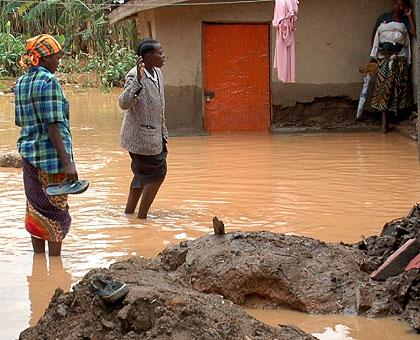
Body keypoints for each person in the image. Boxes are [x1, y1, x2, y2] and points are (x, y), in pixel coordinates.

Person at [15, 34, 78, 256]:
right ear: (43, 58)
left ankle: (39, 265)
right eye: (56, 58)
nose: (58, 62)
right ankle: (55, 264)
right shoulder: (48, 82)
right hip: (52, 159)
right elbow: (53, 125)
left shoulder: (22, 82)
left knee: (35, 207)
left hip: (29, 155)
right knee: (56, 209)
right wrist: (68, 162)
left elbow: (20, 121)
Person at [119, 38, 168, 219]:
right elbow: (123, 103)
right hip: (141, 138)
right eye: (160, 53)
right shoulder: (135, 75)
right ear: (149, 56)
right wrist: (138, 82)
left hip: (155, 135)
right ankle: (142, 218)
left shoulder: (157, 72)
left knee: (141, 176)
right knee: (157, 175)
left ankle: (129, 215)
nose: (163, 56)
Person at [370, 0, 416, 133]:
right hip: (384, 59)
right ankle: (384, 123)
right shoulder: (383, 18)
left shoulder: (405, 21)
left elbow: (414, 33)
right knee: (384, 89)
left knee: (398, 89)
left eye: (401, 5)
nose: (398, 7)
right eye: (396, 4)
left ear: (405, 7)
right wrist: (373, 57)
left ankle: (395, 120)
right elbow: (374, 36)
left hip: (399, 60)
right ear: (393, 4)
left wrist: (410, 16)